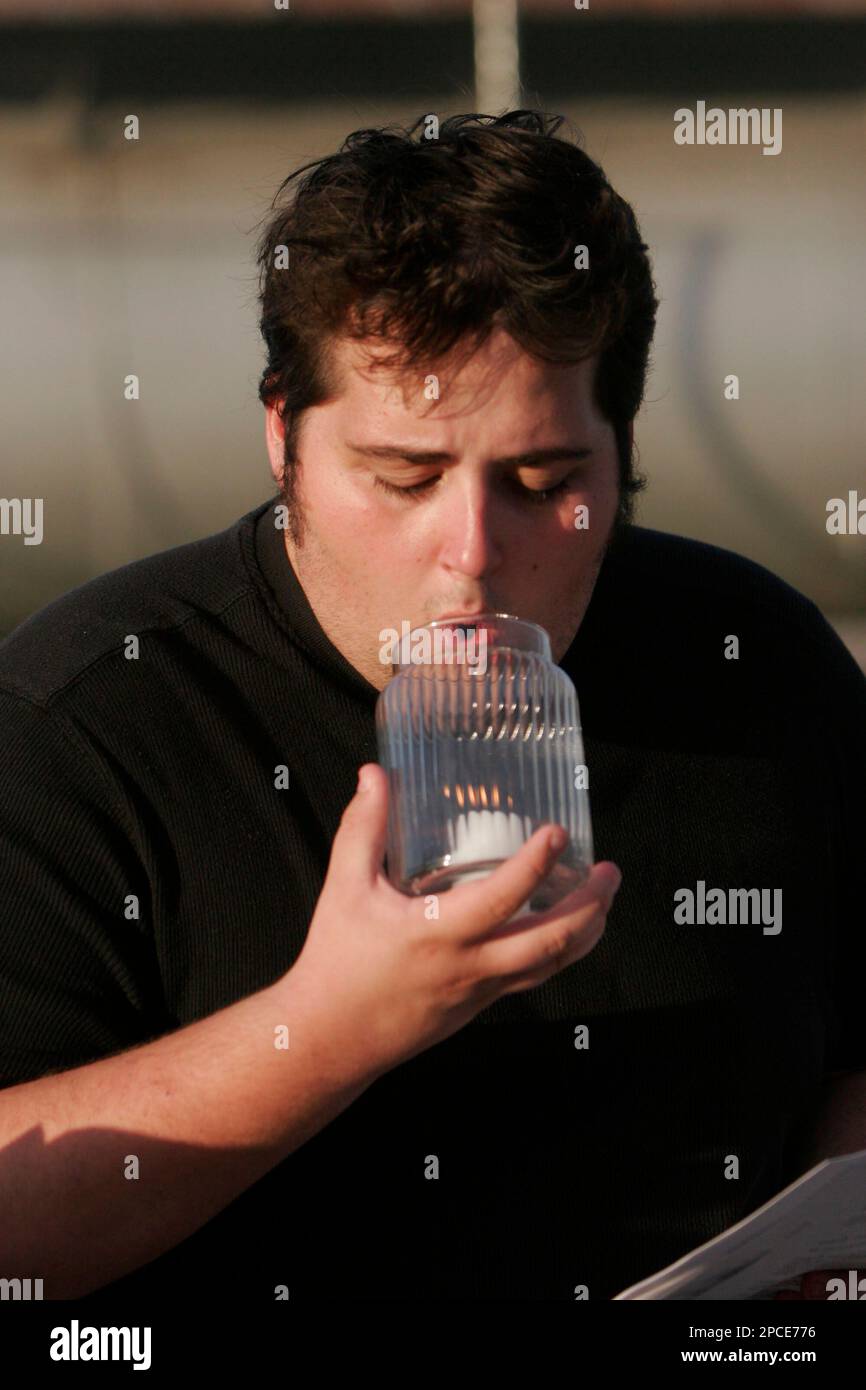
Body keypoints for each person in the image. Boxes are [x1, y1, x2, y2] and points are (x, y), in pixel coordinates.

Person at [0, 110, 863, 1303]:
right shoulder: (86, 719)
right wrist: (331, 1025)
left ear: (622, 453)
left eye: (542, 482)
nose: (468, 552)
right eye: (402, 475)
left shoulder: (754, 663)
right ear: (280, 439)